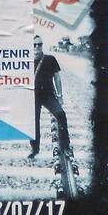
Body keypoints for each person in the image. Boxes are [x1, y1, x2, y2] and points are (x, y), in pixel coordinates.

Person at [32, 34, 78, 199]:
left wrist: (60, 95)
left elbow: (57, 77)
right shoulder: (25, 61)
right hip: (34, 96)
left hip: (49, 95)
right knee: (33, 121)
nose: (37, 47)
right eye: (34, 45)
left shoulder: (50, 59)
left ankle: (65, 146)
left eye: (39, 44)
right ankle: (35, 148)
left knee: (61, 114)